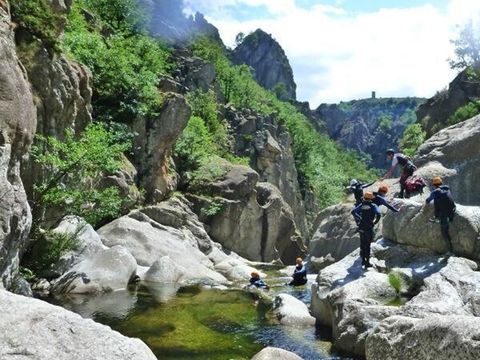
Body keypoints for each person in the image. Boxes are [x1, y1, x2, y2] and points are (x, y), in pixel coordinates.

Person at [425, 177, 456, 253]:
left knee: (444, 232)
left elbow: (428, 200)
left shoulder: (435, 192)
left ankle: (450, 251)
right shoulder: (447, 189)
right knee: (437, 199)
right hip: (452, 209)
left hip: (444, 214)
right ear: (441, 183)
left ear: (434, 184)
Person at [352, 191, 381, 269]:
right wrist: (375, 222)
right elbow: (378, 214)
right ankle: (367, 262)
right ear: (371, 198)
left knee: (362, 243)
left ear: (364, 197)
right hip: (368, 227)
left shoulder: (361, 205)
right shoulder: (373, 206)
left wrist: (360, 218)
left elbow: (353, 212)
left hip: (361, 226)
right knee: (367, 245)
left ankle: (363, 260)